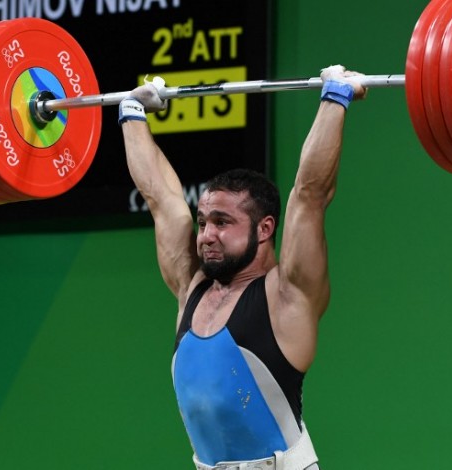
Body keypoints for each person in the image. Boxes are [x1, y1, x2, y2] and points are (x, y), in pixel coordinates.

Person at [119, 65, 367, 470]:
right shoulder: (191, 286)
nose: (206, 235)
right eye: (203, 222)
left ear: (264, 228)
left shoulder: (287, 294)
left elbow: (310, 194)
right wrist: (132, 113)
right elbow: (160, 198)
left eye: (222, 222)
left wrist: (335, 98)